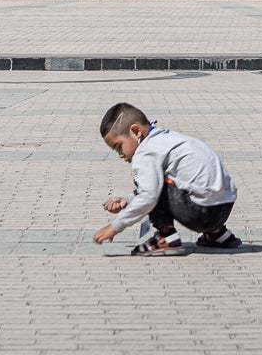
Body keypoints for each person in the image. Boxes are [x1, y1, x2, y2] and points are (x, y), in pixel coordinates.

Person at [91, 102, 240, 256]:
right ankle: (217, 234)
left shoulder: (145, 153)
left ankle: (167, 237)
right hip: (223, 206)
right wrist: (127, 200)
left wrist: (115, 226)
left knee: (153, 189)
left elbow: (149, 195)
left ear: (135, 131)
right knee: (160, 182)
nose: (120, 155)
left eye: (119, 147)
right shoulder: (164, 138)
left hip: (203, 214)